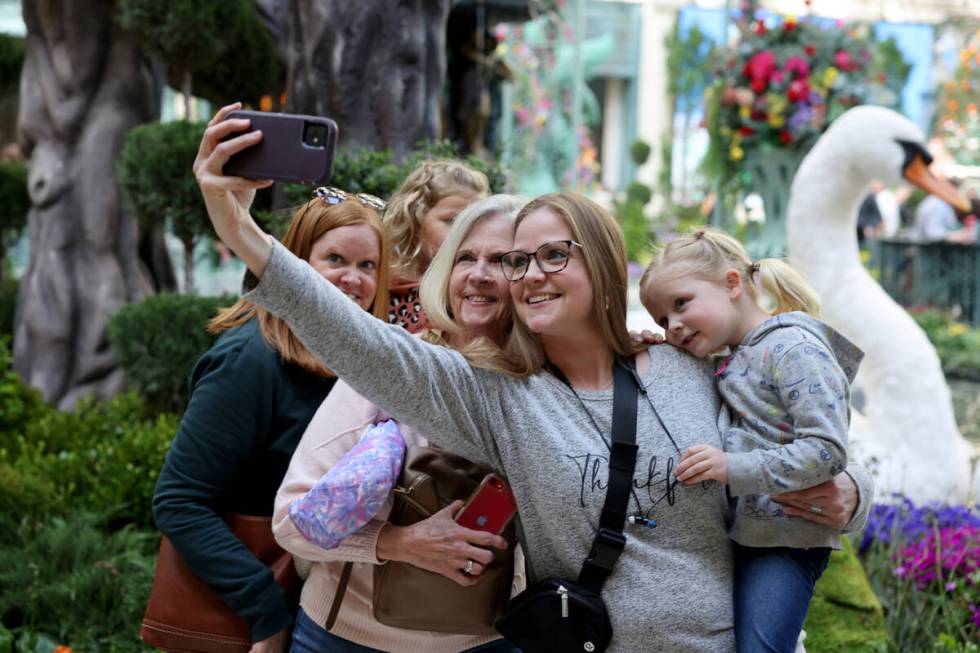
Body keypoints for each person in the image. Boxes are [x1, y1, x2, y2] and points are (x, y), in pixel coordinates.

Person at [194, 103, 873, 652]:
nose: (528, 273)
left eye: (553, 254)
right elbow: (370, 347)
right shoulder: (501, 397)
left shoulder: (687, 363)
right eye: (518, 261)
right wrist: (241, 229)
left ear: (604, 265)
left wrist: (850, 489)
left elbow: (812, 428)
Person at [275, 195, 526, 653]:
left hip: (489, 642)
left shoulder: (549, 385)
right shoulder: (393, 366)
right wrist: (399, 543)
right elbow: (290, 522)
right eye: (465, 257)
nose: (479, 274)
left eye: (504, 261)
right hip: (345, 637)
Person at [152, 184, 390, 653]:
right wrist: (265, 612)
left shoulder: (363, 360)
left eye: (368, 266)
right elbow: (179, 502)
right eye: (336, 260)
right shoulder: (250, 362)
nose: (353, 280)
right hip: (257, 616)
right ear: (294, 262)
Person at [638, 228, 863, 653]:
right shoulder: (734, 356)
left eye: (681, 304)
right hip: (746, 535)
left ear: (732, 283)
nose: (674, 326)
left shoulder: (793, 349)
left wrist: (731, 467)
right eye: (663, 320)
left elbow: (828, 451)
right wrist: (651, 349)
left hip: (786, 539)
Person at [383, 159, 489, 332]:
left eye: (476, 223)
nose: (464, 233)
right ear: (416, 219)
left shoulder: (478, 293)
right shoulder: (378, 281)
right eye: (452, 220)